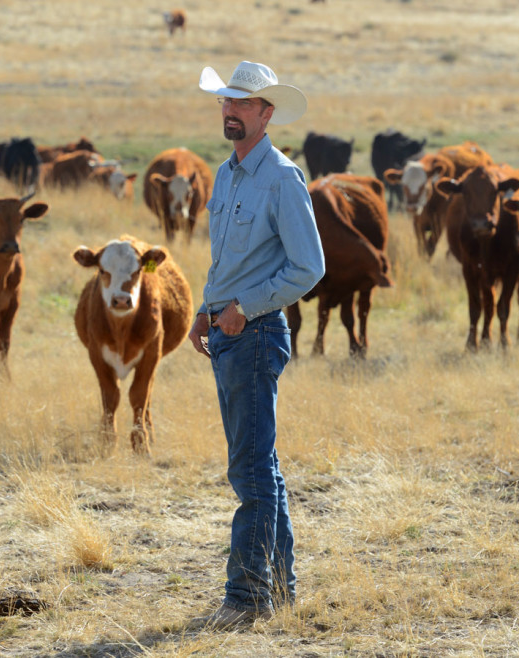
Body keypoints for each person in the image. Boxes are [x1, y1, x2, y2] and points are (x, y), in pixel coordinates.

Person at [187, 61, 325, 630]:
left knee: (249, 471)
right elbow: (229, 261)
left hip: (257, 332)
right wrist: (207, 307)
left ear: (267, 113)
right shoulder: (227, 175)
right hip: (227, 332)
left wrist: (247, 307)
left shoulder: (282, 178)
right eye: (226, 101)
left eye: (242, 103)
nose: (230, 110)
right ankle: (279, 589)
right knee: (259, 466)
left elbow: (308, 267)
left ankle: (246, 599)